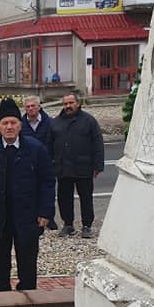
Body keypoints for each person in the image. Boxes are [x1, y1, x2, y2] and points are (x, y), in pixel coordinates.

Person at [0, 98, 55, 293]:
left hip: (28, 215)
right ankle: (1, 293)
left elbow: (47, 181)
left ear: (20, 124)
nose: (9, 127)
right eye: (5, 123)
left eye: (13, 122)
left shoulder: (35, 149)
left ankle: (27, 295)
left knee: (28, 260)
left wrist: (45, 211)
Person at [51, 91, 104, 239]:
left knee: (86, 197)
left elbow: (97, 143)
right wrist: (51, 164)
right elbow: (49, 145)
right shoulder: (55, 122)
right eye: (65, 104)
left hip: (83, 167)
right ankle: (68, 224)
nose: (68, 106)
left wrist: (98, 165)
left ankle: (87, 225)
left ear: (78, 103)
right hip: (63, 167)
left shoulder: (89, 121)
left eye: (71, 103)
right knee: (64, 198)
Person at [21, 96, 57, 230]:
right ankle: (33, 217)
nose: (30, 108)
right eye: (28, 106)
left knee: (47, 191)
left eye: (33, 106)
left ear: (39, 107)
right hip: (27, 164)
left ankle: (50, 218)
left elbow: (54, 142)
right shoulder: (20, 124)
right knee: (29, 191)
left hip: (46, 163)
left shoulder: (50, 122)